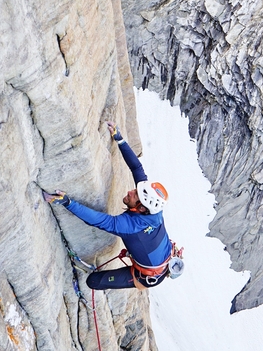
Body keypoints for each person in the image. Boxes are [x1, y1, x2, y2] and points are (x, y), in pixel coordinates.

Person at [43, 122, 183, 290]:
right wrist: (120, 139)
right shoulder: (152, 209)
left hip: (148, 276)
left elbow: (99, 220)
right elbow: (137, 168)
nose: (131, 191)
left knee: (93, 282)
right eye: (136, 190)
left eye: (135, 195)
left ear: (141, 208)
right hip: (163, 258)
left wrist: (67, 202)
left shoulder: (131, 226)